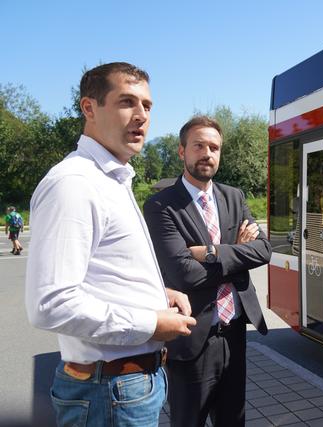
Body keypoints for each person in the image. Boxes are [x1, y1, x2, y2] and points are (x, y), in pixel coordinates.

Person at [25, 62, 197, 426]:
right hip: (108, 391)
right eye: (126, 102)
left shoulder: (112, 180)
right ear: (89, 108)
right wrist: (150, 323)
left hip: (125, 386)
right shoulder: (74, 183)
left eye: (147, 106)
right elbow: (50, 303)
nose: (141, 116)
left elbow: (102, 272)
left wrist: (156, 293)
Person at [143, 115, 271, 427]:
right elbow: (184, 274)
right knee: (189, 421)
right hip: (190, 337)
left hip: (234, 331)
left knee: (233, 420)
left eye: (214, 147)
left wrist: (211, 253)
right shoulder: (161, 206)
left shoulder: (233, 196)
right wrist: (239, 255)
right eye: (198, 145)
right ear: (181, 151)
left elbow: (264, 250)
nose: (207, 153)